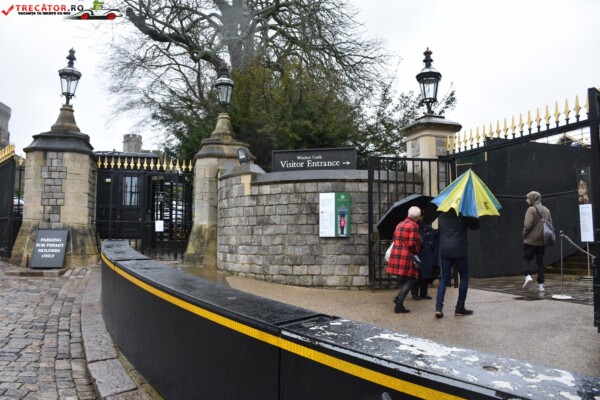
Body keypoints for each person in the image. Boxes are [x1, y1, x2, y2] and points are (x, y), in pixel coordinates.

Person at [435, 209, 480, 318]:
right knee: (464, 277)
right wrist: (473, 214)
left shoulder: (442, 215)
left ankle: (438, 308)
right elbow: (476, 225)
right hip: (460, 250)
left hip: (445, 250)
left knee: (444, 277)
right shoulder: (463, 214)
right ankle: (459, 308)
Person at [386, 206, 422, 313]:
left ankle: (398, 298)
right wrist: (416, 250)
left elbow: (394, 238)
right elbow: (411, 244)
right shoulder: (414, 225)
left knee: (409, 278)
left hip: (397, 254)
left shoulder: (399, 224)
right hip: (407, 255)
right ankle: (399, 304)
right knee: (412, 278)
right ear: (417, 217)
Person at [522, 191, 553, 292]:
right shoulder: (547, 211)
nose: (526, 200)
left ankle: (527, 276)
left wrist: (524, 234)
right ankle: (540, 284)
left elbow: (527, 225)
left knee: (526, 259)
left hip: (530, 241)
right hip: (542, 241)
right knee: (540, 263)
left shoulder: (531, 209)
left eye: (528, 198)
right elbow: (550, 225)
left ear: (533, 199)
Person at [411, 215, 440, 300]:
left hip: (425, 252)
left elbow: (432, 233)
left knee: (425, 273)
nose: (421, 217)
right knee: (417, 273)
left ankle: (423, 293)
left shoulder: (424, 225)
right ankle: (416, 293)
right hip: (418, 252)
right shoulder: (414, 226)